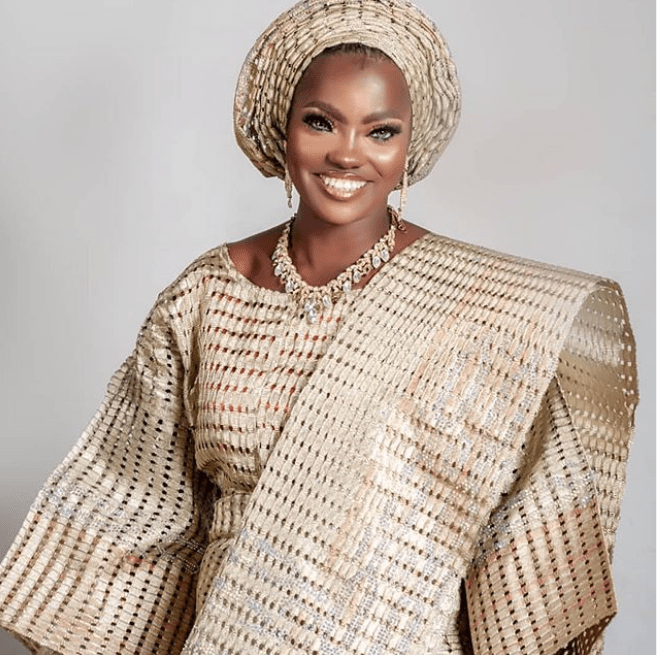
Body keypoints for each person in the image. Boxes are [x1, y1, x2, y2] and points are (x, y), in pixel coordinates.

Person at [0, 0, 638, 653]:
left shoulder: (484, 305)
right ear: (284, 127)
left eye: (380, 130)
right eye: (320, 122)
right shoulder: (206, 296)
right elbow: (137, 504)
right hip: (231, 636)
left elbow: (530, 522)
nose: (347, 153)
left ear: (409, 145)